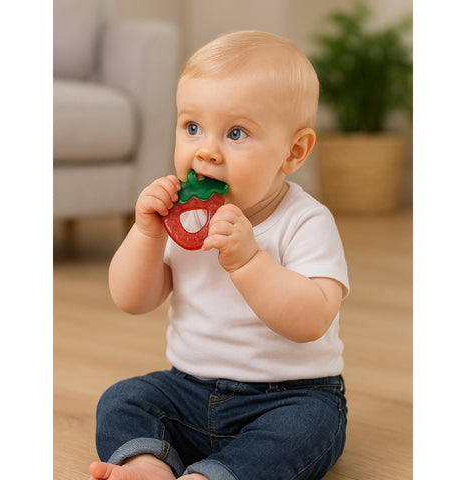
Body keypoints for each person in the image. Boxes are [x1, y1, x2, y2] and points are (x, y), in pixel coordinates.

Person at [89, 30, 349, 480]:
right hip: (188, 388)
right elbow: (132, 299)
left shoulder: (306, 221)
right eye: (192, 127)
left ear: (293, 152)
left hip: (289, 395)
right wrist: (146, 234)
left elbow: (313, 320)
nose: (206, 151)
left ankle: (215, 474)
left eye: (236, 133)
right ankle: (148, 465)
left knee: (308, 428)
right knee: (123, 399)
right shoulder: (183, 217)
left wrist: (249, 263)